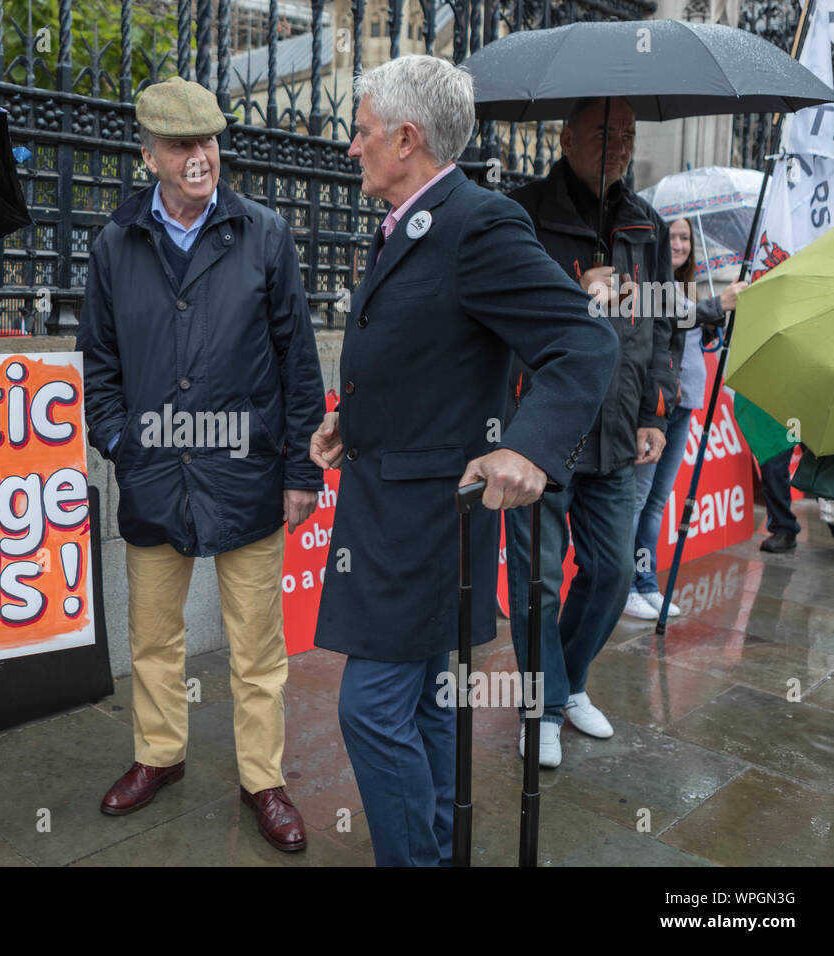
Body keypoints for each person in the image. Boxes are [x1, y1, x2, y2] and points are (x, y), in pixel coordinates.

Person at [309, 55, 617, 867]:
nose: (351, 147)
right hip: (394, 504)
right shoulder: (416, 217)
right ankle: (441, 850)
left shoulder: (476, 222)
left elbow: (582, 342)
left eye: (363, 131)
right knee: (426, 706)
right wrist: (355, 422)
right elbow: (433, 349)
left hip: (424, 527)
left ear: (407, 139)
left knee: (372, 710)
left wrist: (529, 448)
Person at [76, 76, 325, 852]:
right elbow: (99, 365)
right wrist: (121, 442)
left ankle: (264, 779)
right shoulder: (117, 243)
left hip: (247, 473)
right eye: (182, 144)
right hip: (155, 476)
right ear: (148, 153)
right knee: (152, 638)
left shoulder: (264, 234)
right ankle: (160, 755)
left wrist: (301, 473)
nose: (200, 157)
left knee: (256, 647)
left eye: (209, 141)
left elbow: (299, 361)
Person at [502, 96, 680, 767]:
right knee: (537, 581)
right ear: (566, 136)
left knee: (610, 573)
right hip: (542, 428)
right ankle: (540, 707)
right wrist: (575, 290)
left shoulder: (646, 223)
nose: (619, 144)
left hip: (615, 426)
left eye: (629, 134)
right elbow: (501, 310)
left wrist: (656, 411)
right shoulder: (521, 211)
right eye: (604, 131)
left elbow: (661, 328)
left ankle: (565, 684)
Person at [624, 216, 747, 619]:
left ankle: (645, 582)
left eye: (685, 239)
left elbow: (693, 333)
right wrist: (717, 305)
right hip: (655, 408)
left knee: (657, 502)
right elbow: (672, 316)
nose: (678, 245)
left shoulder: (691, 287)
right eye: (671, 237)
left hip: (686, 404)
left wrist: (713, 323)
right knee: (638, 501)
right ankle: (624, 587)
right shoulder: (652, 285)